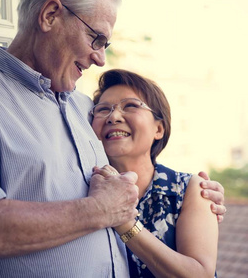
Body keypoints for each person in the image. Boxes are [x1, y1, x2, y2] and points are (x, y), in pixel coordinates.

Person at [0, 0, 225, 277]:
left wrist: (199, 197)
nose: (100, 57)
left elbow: (130, 163)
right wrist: (101, 209)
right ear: (50, 15)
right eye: (97, 39)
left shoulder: (84, 109)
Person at [91, 69, 218, 277]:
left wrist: (123, 221)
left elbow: (200, 274)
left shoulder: (189, 189)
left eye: (130, 105)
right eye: (103, 110)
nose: (113, 116)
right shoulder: (81, 186)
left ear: (159, 129)